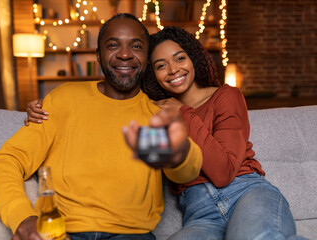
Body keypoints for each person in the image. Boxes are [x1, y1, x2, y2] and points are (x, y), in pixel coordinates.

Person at [27, 26, 309, 240]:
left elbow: (223, 172)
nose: (173, 70)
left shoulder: (226, 96)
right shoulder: (153, 111)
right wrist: (45, 109)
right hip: (199, 214)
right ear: (152, 74)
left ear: (193, 58)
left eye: (179, 58)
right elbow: (107, 119)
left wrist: (183, 113)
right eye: (161, 65)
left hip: (247, 193)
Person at [0, 14, 203, 240]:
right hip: (63, 232)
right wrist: (23, 218)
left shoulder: (155, 115)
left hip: (131, 235)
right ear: (98, 55)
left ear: (147, 56)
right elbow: (4, 162)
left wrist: (181, 152)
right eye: (113, 45)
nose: (125, 54)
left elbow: (185, 172)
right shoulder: (63, 100)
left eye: (136, 46)